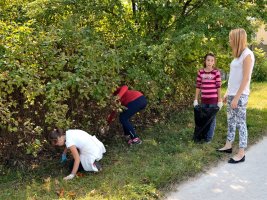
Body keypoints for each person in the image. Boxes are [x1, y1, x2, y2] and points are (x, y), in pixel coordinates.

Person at [217, 28, 255, 164]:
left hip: (241, 95)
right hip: (232, 93)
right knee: (231, 122)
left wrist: (237, 97)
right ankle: (228, 145)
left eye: (231, 38)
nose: (229, 40)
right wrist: (227, 93)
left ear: (237, 39)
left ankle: (241, 153)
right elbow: (234, 78)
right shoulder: (238, 56)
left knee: (240, 123)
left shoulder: (247, 55)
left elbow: (245, 79)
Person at [193, 53, 223, 142]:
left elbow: (218, 86)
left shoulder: (216, 72)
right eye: (208, 60)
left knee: (211, 119)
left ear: (214, 62)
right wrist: (195, 99)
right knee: (204, 118)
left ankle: (208, 138)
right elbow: (198, 86)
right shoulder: (200, 72)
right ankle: (203, 135)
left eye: (212, 60)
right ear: (205, 61)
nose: (210, 62)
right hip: (203, 100)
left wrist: (219, 100)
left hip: (213, 100)